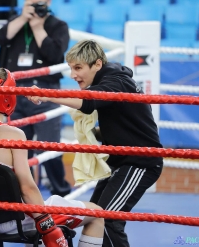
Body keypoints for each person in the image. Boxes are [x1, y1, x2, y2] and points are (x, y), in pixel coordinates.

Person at [27, 40, 164, 247]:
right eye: (71, 68)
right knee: (95, 216)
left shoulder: (116, 82)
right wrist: (92, 133)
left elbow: (88, 102)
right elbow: (123, 120)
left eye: (79, 68)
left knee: (108, 220)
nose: (73, 75)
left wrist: (47, 95)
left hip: (140, 162)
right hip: (120, 161)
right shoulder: (110, 80)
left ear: (97, 64)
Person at [0, 68, 104, 247]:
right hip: (18, 219)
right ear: (8, 97)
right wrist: (46, 224)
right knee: (97, 215)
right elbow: (28, 188)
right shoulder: (12, 135)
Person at [0, 0, 71, 197]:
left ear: (48, 2)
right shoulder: (18, 22)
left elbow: (55, 56)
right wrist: (23, 18)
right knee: (17, 148)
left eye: (39, 4)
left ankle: (62, 195)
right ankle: (22, 194)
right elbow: (0, 38)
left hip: (45, 91)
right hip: (15, 92)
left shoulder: (58, 25)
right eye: (30, 3)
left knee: (49, 147)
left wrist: (38, 27)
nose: (35, 8)